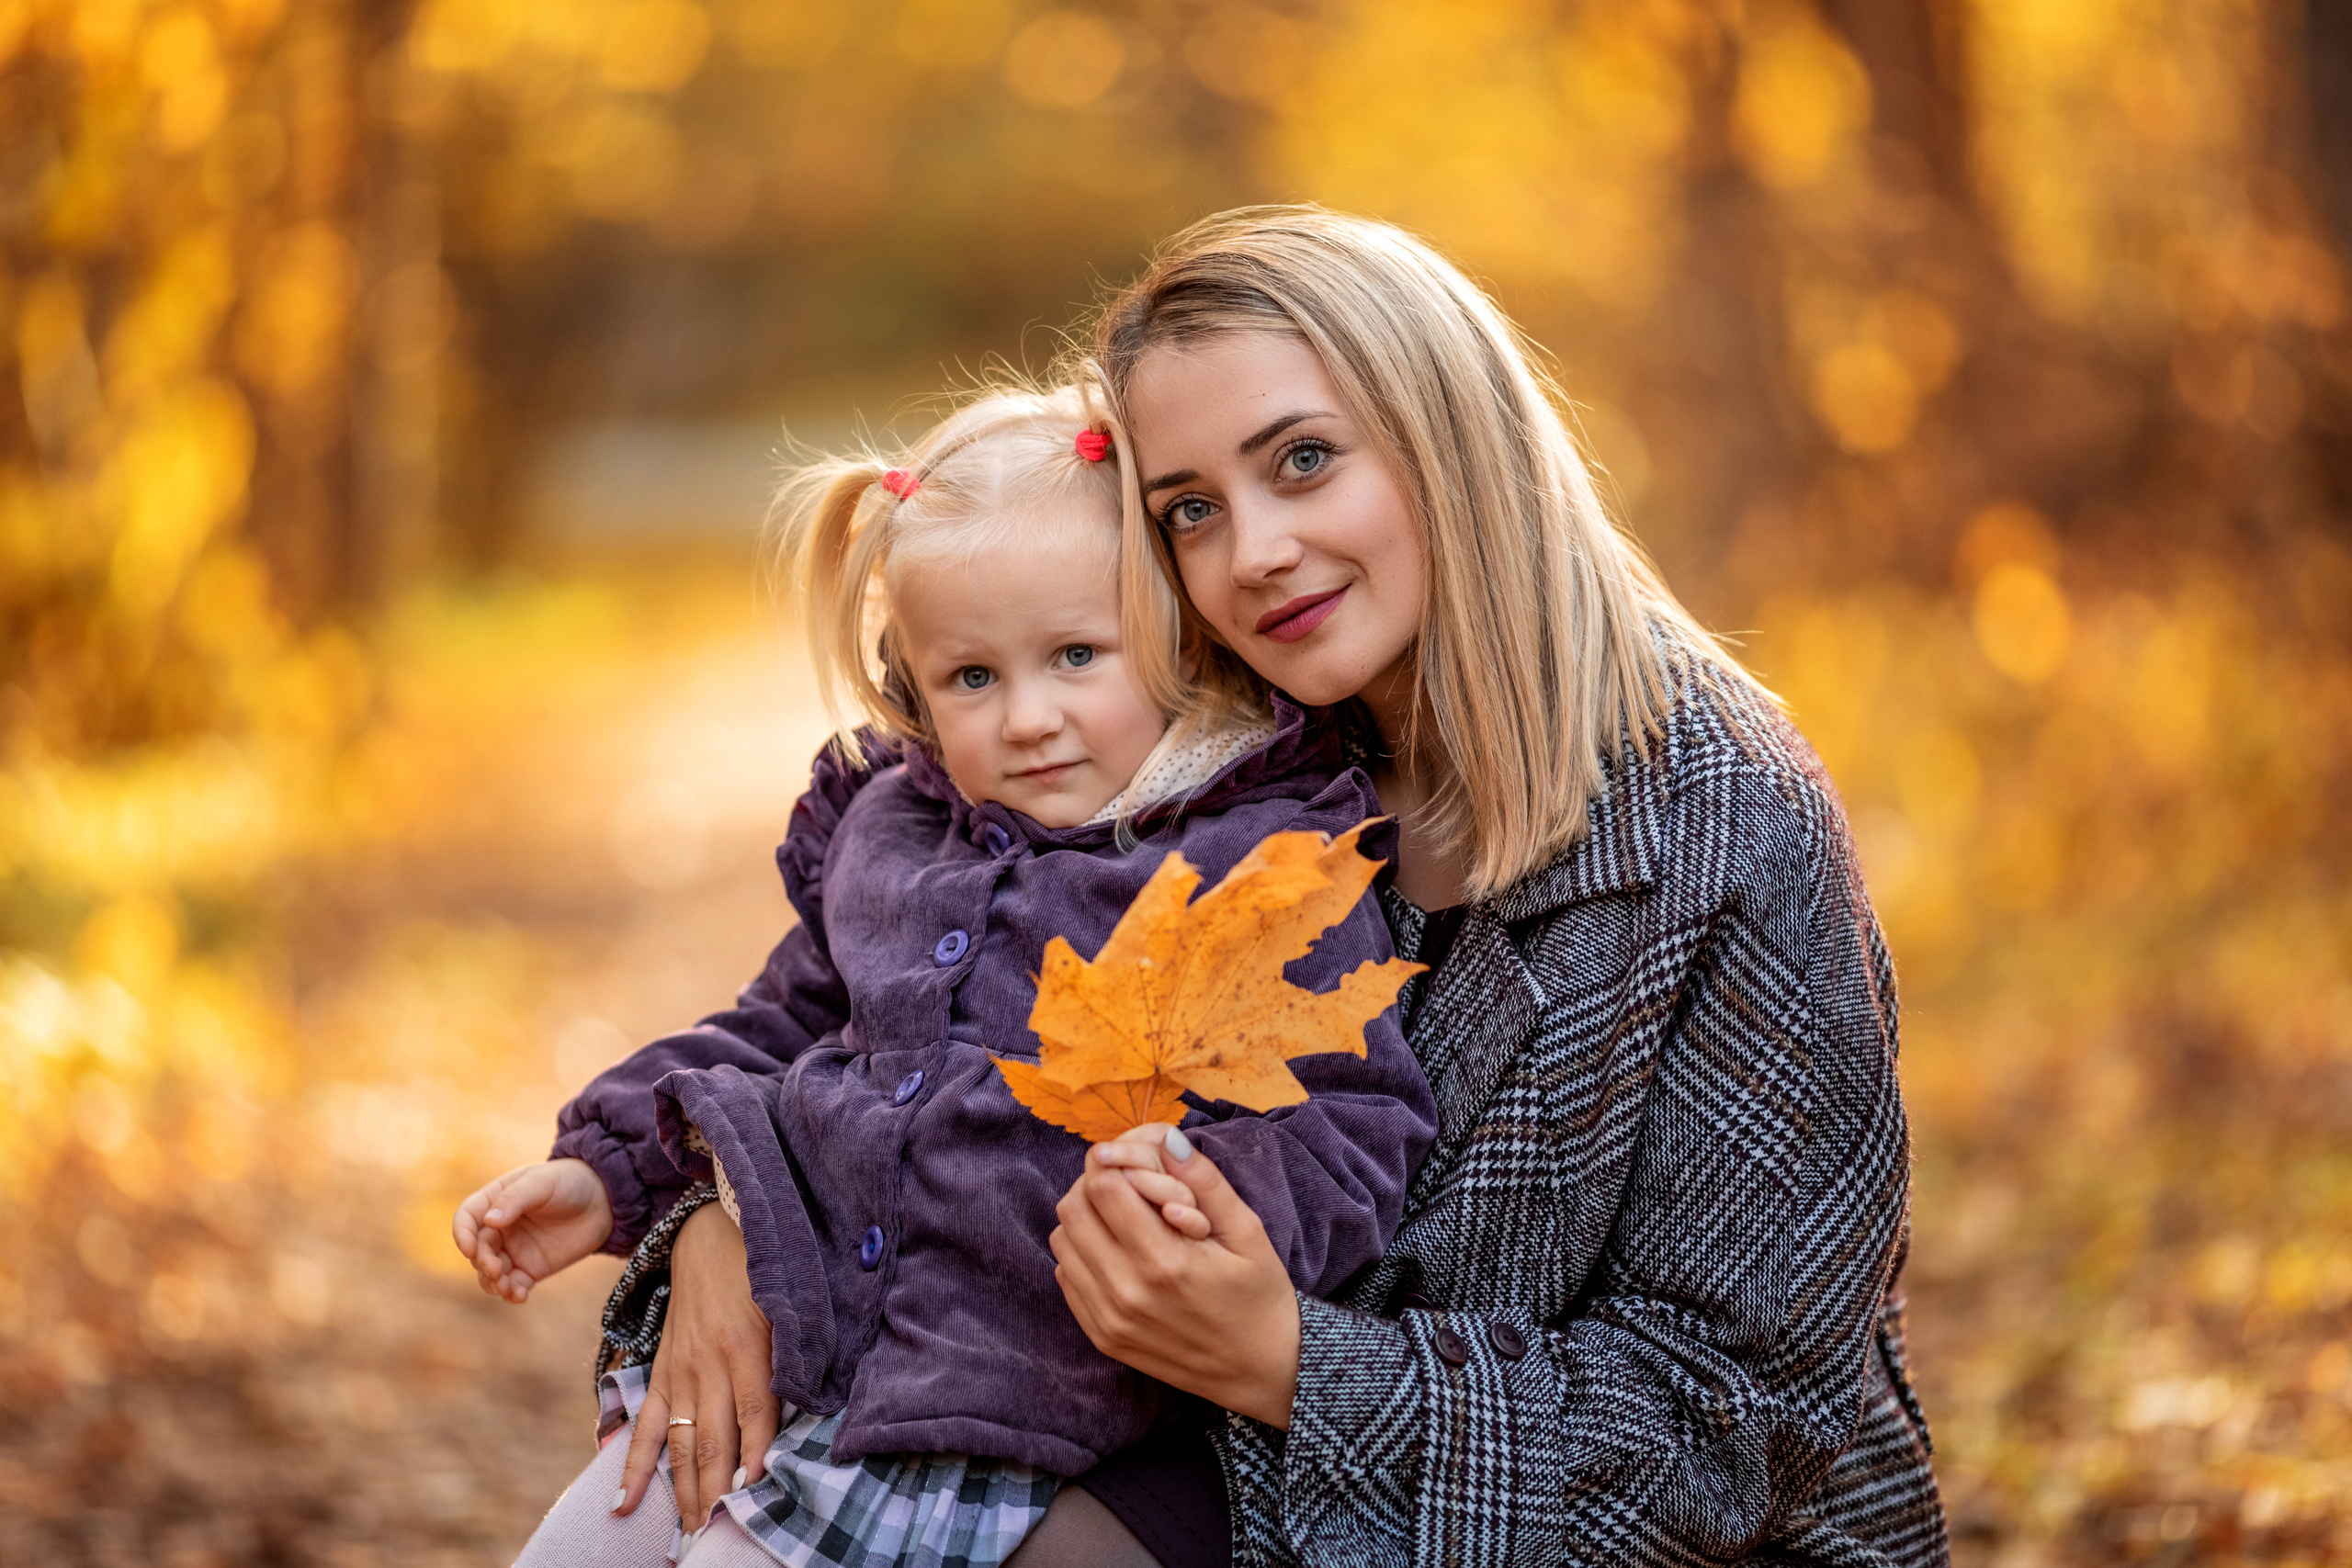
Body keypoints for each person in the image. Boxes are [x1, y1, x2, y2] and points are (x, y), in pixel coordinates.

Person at [580, 209, 1951, 1568]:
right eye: (1189, 511)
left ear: (1448, 432)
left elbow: (1741, 1434)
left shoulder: (1717, 827)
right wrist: (714, 1217)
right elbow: (898, 1035)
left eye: (1304, 461)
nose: (1253, 555)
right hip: (1186, 1467)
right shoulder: (1213, 738)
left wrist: (1294, 1365)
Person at [450, 381, 1437, 1566]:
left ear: (1177, 640)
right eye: (973, 677)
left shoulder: (1253, 866)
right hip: (800, 1351)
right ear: (916, 685)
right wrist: (605, 1171)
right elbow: (777, 1025)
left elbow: (1359, 1119)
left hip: (992, 1421)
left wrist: (1206, 1192)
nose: (1028, 719)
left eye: (1077, 656)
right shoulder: (892, 829)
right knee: (576, 1549)